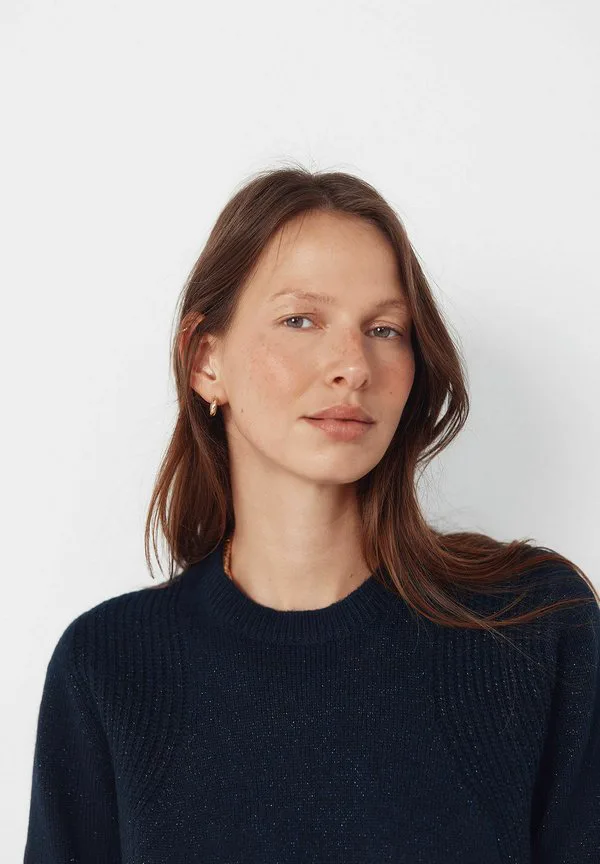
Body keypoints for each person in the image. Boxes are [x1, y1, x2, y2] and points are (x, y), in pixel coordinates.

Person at [24, 166, 600, 863]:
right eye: (300, 319)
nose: (353, 365)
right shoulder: (109, 667)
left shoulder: (532, 629)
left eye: (384, 329)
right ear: (205, 360)